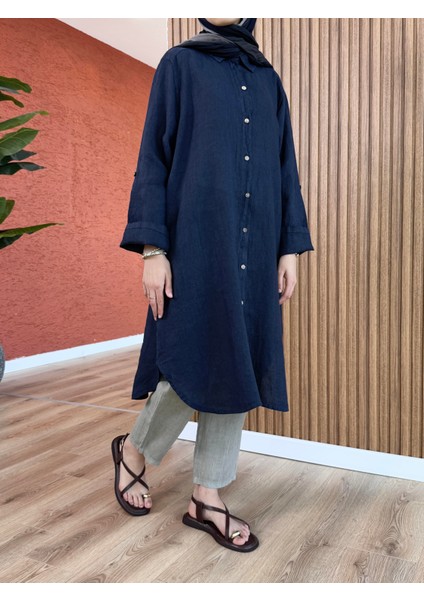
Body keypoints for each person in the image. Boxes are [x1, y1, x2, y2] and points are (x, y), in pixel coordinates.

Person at [112, 18, 314, 553]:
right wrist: (153, 250)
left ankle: (207, 494)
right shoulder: (180, 65)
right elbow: (153, 158)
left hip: (257, 244)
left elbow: (284, 169)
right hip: (196, 242)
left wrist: (289, 247)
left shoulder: (268, 81)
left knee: (236, 361)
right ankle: (134, 450)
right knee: (189, 353)